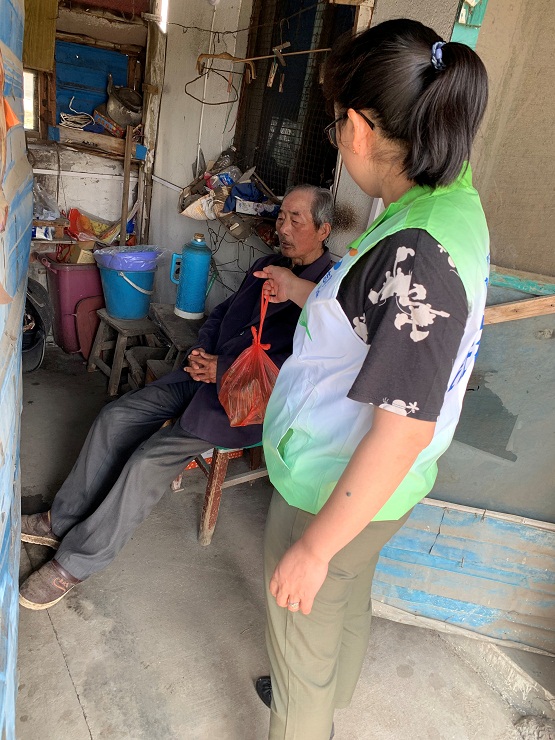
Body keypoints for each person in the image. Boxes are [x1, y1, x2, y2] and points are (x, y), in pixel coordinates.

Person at [252, 19, 489, 740]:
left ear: (358, 126)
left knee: (301, 630)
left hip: (336, 484)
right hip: (381, 491)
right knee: (344, 596)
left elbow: (401, 427)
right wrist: (305, 293)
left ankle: (307, 712)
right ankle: (329, 693)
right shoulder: (447, 202)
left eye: (335, 125)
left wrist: (313, 547)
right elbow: (373, 323)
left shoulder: (417, 251)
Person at [19, 184, 335, 610]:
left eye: (297, 220)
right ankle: (60, 520)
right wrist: (203, 351)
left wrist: (224, 369)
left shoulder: (327, 293)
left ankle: (76, 562)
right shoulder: (267, 265)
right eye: (281, 217)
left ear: (324, 229)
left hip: (242, 403)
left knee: (148, 460)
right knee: (116, 417)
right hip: (203, 374)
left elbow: (304, 368)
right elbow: (223, 314)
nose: (284, 228)